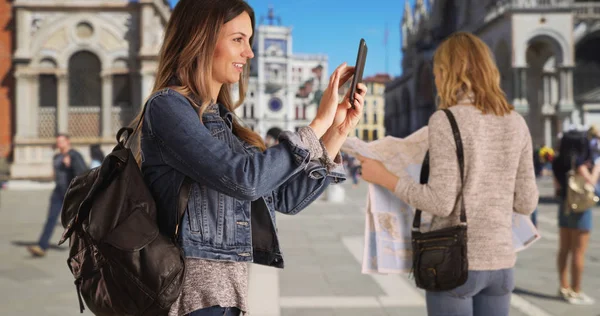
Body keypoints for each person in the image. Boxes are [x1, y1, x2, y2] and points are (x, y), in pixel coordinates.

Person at [134, 1, 367, 315]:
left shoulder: (228, 126)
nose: (250, 53)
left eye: (250, 41)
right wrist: (317, 123)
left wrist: (337, 131)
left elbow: (286, 197)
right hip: (189, 300)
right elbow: (245, 179)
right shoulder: (168, 108)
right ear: (201, 39)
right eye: (238, 39)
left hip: (228, 299)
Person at [357, 32, 538, 316]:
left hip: (456, 263)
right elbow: (527, 202)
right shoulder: (516, 121)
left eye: (437, 73)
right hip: (502, 265)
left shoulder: (446, 119)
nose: (436, 81)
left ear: (447, 72)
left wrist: (383, 176)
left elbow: (440, 202)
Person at [552, 129, 597, 305]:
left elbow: (557, 185)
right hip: (580, 208)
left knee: (564, 249)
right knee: (579, 251)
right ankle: (576, 290)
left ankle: (563, 286)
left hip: (564, 205)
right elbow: (591, 182)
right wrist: (597, 169)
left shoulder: (557, 162)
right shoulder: (580, 162)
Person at [27, 134, 87, 257]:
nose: (59, 144)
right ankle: (42, 246)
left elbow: (83, 173)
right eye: (58, 142)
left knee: (78, 221)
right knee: (51, 219)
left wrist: (70, 165)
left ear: (68, 142)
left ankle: (89, 246)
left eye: (62, 141)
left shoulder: (74, 155)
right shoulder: (57, 156)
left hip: (71, 194)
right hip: (58, 193)